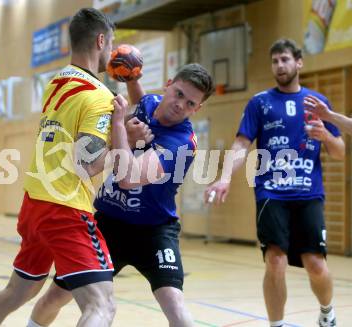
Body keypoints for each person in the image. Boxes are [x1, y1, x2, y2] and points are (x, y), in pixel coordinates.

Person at [26, 63, 215, 327]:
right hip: (109, 224)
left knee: (175, 305)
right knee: (56, 295)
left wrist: (119, 125)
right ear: (168, 84)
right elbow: (142, 103)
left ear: (198, 109)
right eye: (179, 94)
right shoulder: (148, 103)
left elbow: (128, 178)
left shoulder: (182, 142)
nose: (180, 105)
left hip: (154, 231)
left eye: (191, 103)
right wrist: (131, 78)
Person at [0, 8, 120, 327]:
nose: (111, 52)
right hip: (65, 207)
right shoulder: (99, 96)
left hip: (35, 203)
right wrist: (120, 138)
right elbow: (87, 164)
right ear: (100, 40)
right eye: (110, 45)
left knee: (15, 293)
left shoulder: (57, 82)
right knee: (101, 304)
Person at [205, 39, 344, 327]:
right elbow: (242, 144)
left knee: (316, 265)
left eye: (284, 59)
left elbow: (339, 152)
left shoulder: (317, 104)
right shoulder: (260, 103)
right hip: (271, 192)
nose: (279, 66)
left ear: (298, 63)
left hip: (308, 193)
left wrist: (326, 137)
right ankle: (276, 324)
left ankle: (327, 312)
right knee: (275, 260)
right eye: (275, 61)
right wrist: (226, 177)